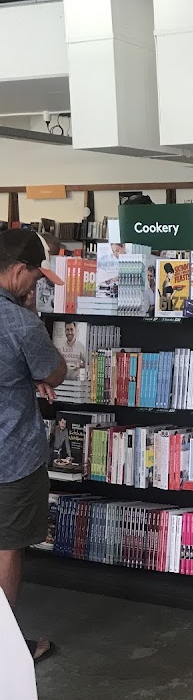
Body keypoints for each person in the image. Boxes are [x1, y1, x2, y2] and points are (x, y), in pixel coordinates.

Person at [0, 229, 67, 663]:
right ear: (19, 271)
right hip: (10, 456)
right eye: (36, 278)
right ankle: (5, 652)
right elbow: (55, 372)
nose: (36, 286)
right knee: (7, 546)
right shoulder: (21, 324)